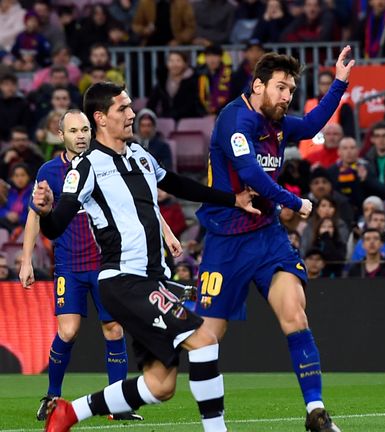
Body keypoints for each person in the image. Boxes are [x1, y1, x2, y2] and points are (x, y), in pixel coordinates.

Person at [34, 82, 260, 431]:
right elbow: (58, 223)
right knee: (204, 341)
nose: (131, 113)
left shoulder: (140, 155)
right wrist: (46, 212)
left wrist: (233, 200)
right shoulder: (86, 166)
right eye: (122, 108)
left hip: (150, 280)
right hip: (124, 280)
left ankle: (70, 412)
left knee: (160, 385)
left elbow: (179, 184)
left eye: (130, 106)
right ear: (101, 118)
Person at [193, 48, 354, 431]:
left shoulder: (278, 122)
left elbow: (313, 125)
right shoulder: (235, 119)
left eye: (291, 89)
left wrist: (340, 83)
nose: (287, 96)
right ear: (258, 85)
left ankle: (316, 411)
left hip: (267, 237)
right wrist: (293, 201)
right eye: (281, 87)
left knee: (295, 315)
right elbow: (249, 171)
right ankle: (213, 427)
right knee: (207, 337)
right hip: (225, 238)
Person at [21, 109, 143, 422]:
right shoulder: (49, 171)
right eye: (73, 130)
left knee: (113, 329)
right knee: (69, 330)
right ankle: (52, 397)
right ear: (61, 135)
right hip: (70, 265)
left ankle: (117, 405)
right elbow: (35, 215)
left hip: (106, 264)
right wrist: (26, 261)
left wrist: (164, 235)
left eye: (85, 129)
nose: (80, 136)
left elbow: (136, 203)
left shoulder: (106, 163)